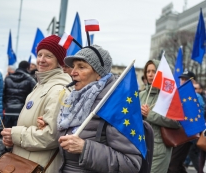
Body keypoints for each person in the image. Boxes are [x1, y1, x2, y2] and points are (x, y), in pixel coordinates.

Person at [42, 44, 143, 172]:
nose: (73, 72)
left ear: (99, 74)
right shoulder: (74, 98)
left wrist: (85, 148)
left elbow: (130, 164)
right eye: (73, 67)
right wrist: (50, 125)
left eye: (81, 67)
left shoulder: (113, 106)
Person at [1, 35, 72, 173]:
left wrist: (15, 135)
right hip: (25, 162)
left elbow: (51, 137)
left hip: (39, 166)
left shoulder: (58, 90)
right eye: (39, 54)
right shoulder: (40, 86)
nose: (41, 60)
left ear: (59, 61)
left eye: (48, 56)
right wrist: (13, 141)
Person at [139, 59, 181, 173]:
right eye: (148, 71)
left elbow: (175, 121)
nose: (150, 74)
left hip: (159, 150)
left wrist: (150, 114)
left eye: (154, 71)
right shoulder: (140, 95)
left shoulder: (168, 96)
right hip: (140, 146)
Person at [168, 70, 205, 173]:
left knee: (173, 165)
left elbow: (198, 115)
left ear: (192, 81)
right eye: (182, 79)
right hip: (178, 134)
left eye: (185, 79)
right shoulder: (179, 94)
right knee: (176, 165)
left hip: (186, 135)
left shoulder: (196, 96)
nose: (182, 81)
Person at [3, 60, 36, 128]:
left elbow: (2, 94)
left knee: (7, 135)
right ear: (28, 68)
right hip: (22, 111)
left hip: (8, 110)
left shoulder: (8, 78)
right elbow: (34, 96)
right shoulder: (30, 79)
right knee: (18, 136)